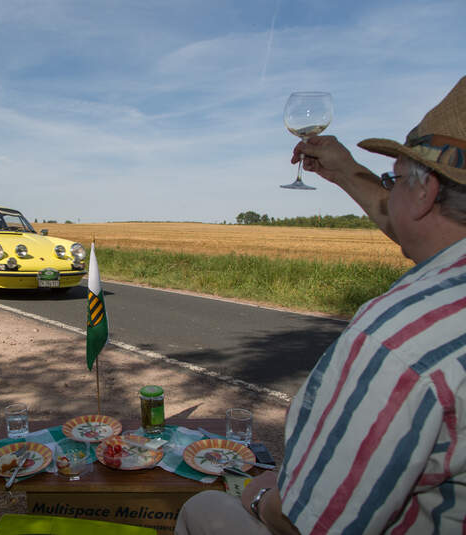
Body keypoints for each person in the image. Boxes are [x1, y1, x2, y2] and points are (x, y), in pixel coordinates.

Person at [176, 76, 466, 534]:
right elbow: (424, 230)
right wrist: (345, 171)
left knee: (204, 508)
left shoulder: (398, 338)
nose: (388, 193)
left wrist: (261, 495)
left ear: (427, 191)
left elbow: (309, 523)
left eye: (394, 179)